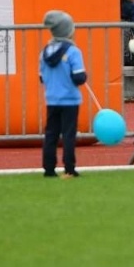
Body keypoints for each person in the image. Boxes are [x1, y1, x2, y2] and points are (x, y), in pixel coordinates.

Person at [39, 10, 87, 177]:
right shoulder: (74, 52)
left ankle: (49, 167)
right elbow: (79, 77)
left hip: (52, 99)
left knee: (51, 133)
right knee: (68, 134)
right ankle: (69, 167)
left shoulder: (44, 52)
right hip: (70, 100)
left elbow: (41, 77)